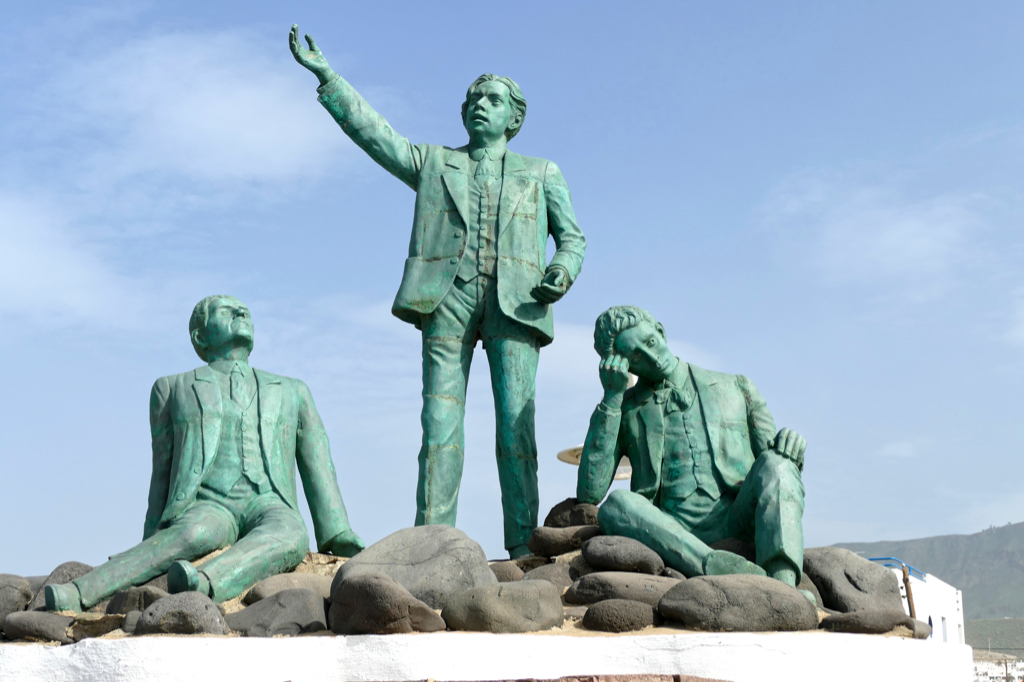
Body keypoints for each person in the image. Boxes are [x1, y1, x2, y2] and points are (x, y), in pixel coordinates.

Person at [289, 26, 587, 557]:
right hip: (444, 297)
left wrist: (561, 272)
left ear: (514, 117)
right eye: (473, 98)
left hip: (516, 304)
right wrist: (328, 78)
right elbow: (376, 136)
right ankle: (432, 543)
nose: (480, 105)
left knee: (516, 434)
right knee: (438, 427)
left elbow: (573, 238)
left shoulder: (541, 172)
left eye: (493, 100)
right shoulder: (432, 162)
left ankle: (522, 546)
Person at [45, 296, 363, 611]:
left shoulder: (293, 390)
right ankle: (79, 592)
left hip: (269, 501)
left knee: (291, 533)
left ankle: (204, 583)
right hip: (208, 504)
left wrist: (336, 534)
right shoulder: (172, 389)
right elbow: (162, 473)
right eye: (227, 311)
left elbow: (318, 461)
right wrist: (151, 535)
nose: (241, 313)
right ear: (200, 336)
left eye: (245, 311)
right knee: (192, 534)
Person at [577, 305, 807, 586]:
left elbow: (772, 464)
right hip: (666, 529)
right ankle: (713, 567)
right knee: (616, 504)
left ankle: (783, 587)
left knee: (778, 464)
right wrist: (612, 397)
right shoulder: (624, 410)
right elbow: (590, 492)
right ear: (623, 365)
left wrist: (789, 447)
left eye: (651, 342)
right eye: (636, 355)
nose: (652, 357)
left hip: (736, 519)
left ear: (661, 331)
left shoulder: (737, 387)